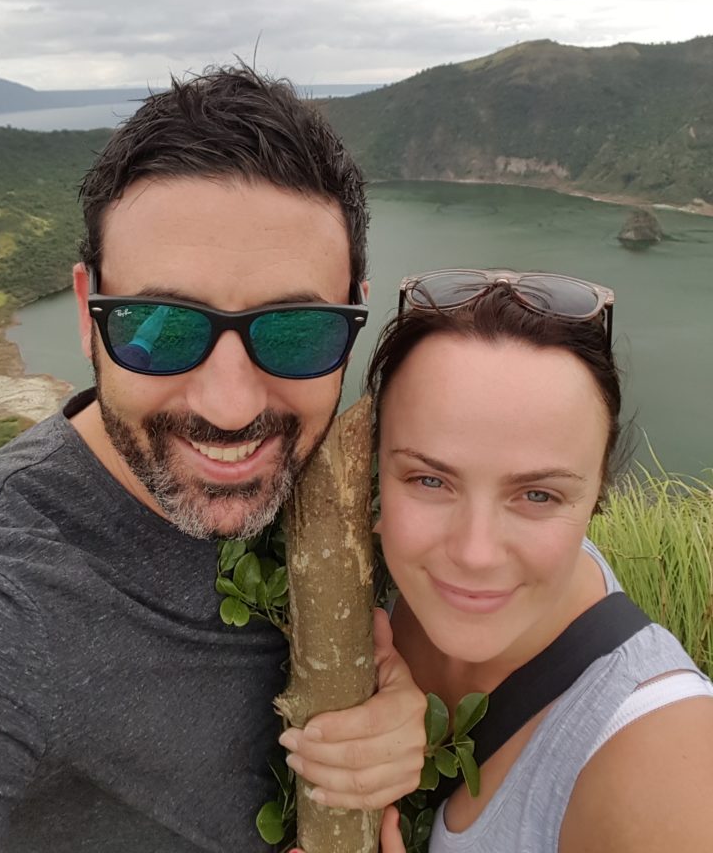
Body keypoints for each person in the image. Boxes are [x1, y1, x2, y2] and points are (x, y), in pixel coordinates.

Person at [0, 68, 426, 852]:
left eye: (295, 332)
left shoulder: (371, 492)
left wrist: (414, 705)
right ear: (86, 312)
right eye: (161, 327)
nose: (230, 406)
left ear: (351, 315)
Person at [286, 268, 713, 853]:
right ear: (373, 473)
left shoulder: (664, 765)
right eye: (430, 480)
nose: (475, 553)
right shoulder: (378, 573)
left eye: (538, 496)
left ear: (597, 494)